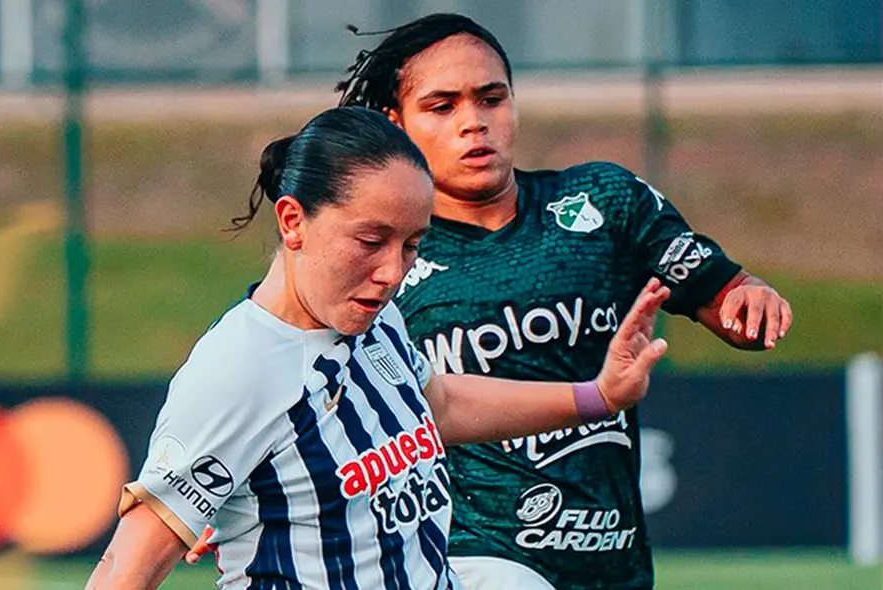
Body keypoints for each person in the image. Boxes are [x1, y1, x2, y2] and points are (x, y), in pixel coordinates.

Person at [83, 106, 672, 590]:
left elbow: (436, 405)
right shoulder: (237, 370)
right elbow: (126, 567)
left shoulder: (374, 319)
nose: (392, 271)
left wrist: (598, 396)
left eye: (412, 244)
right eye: (371, 240)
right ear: (293, 222)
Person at [335, 13, 794, 590]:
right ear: (395, 124)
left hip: (611, 556)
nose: (473, 123)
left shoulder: (604, 202)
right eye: (442, 106)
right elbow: (299, 371)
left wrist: (749, 300)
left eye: (491, 98)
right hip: (464, 554)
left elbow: (722, 293)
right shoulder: (382, 254)